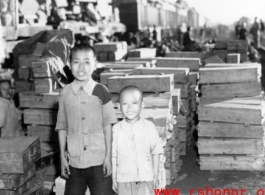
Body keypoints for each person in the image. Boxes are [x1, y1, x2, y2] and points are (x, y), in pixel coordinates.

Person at [55, 43, 117, 195]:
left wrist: (108, 157)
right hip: (74, 163)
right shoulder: (64, 93)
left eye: (87, 62)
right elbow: (62, 127)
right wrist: (62, 158)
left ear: (95, 64)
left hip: (98, 161)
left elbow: (108, 126)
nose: (81, 67)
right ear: (69, 65)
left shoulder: (101, 91)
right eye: (76, 62)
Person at [112, 86, 163, 195]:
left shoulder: (149, 127)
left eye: (134, 103)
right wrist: (113, 178)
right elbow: (113, 156)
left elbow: (156, 152)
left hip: (146, 177)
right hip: (124, 179)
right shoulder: (116, 129)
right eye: (125, 103)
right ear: (118, 106)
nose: (129, 107)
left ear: (142, 105)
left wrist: (155, 175)